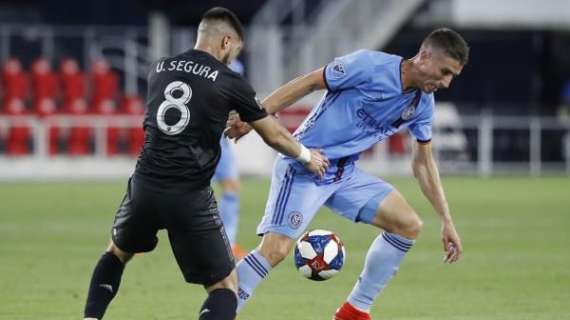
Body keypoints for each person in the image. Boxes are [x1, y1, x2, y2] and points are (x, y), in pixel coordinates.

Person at [82, 7, 328, 320]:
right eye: (235, 50)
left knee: (116, 253)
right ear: (226, 41)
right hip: (188, 195)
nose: (233, 56)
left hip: (144, 185)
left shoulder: (159, 68)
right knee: (225, 286)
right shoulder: (229, 80)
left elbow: (187, 108)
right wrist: (307, 157)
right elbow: (275, 135)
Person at [226, 28, 469, 320]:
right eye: (444, 72)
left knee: (408, 225)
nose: (446, 82)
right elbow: (310, 81)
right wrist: (257, 116)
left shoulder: (422, 104)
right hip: (304, 165)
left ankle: (354, 311)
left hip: (345, 174)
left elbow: (423, 163)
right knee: (274, 251)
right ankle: (219, 312)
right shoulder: (369, 65)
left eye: (452, 76)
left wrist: (446, 220)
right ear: (425, 56)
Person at [213, 59, 247, 259]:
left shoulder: (236, 67)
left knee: (231, 188)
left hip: (221, 142)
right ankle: (136, 235)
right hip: (199, 139)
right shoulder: (205, 65)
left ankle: (229, 243)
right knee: (179, 191)